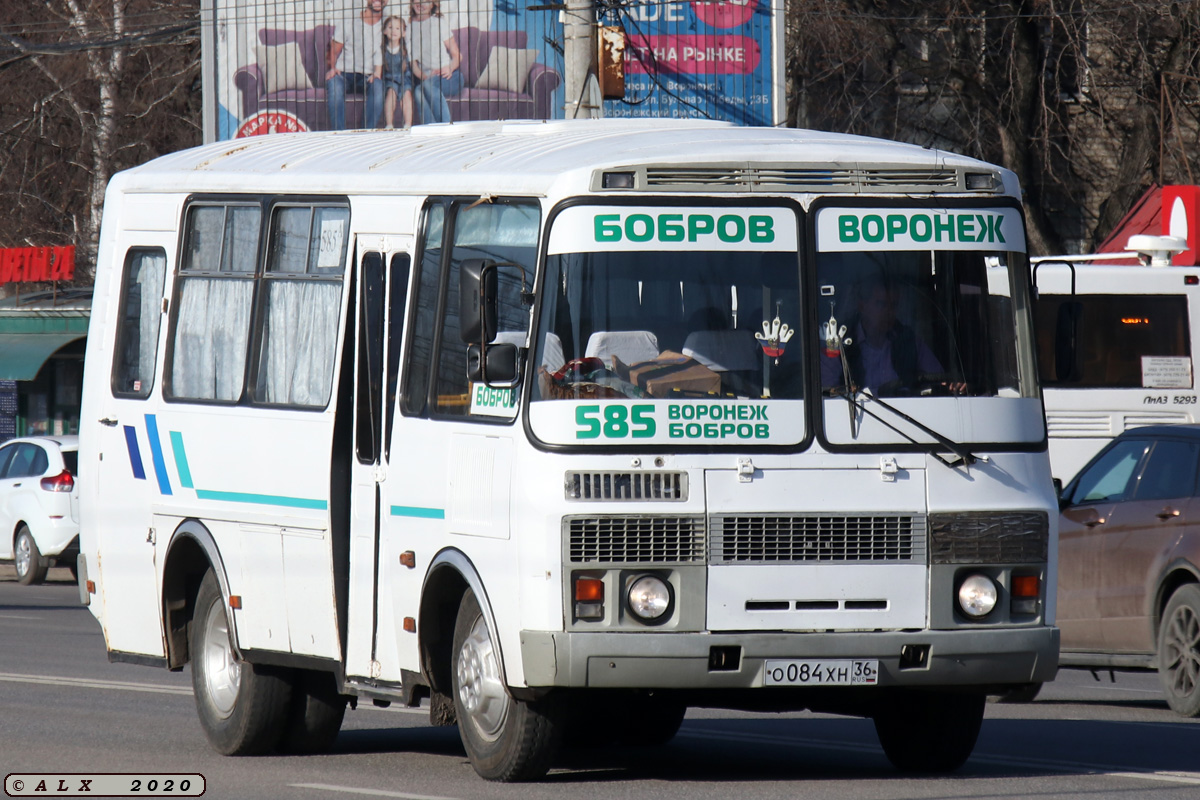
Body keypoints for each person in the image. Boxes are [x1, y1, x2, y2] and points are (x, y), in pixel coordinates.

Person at [821, 276, 953, 395]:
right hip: (855, 417)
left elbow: (939, 379)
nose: (889, 312)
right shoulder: (838, 340)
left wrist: (952, 385)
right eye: (881, 304)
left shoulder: (909, 341)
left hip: (907, 417)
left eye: (893, 305)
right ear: (862, 306)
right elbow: (827, 391)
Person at [325, 0, 387, 130]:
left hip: (369, 76)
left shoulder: (388, 25)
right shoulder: (349, 21)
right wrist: (332, 68)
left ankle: (366, 136)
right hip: (344, 73)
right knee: (335, 86)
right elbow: (333, 50)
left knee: (378, 88)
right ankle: (340, 136)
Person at [408, 0, 463, 124]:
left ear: (433, 4)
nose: (421, 4)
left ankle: (446, 126)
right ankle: (430, 131)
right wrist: (426, 76)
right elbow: (414, 65)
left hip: (450, 77)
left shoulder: (439, 23)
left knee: (425, 86)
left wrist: (450, 68)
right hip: (429, 78)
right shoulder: (410, 28)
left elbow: (457, 56)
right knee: (418, 90)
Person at [375, 15, 414, 129]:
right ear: (385, 31)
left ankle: (407, 125)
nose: (394, 31)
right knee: (391, 94)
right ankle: (389, 124)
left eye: (398, 28)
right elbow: (378, 69)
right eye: (391, 27)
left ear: (404, 33)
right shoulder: (381, 49)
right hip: (390, 79)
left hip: (404, 78)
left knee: (406, 95)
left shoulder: (406, 49)